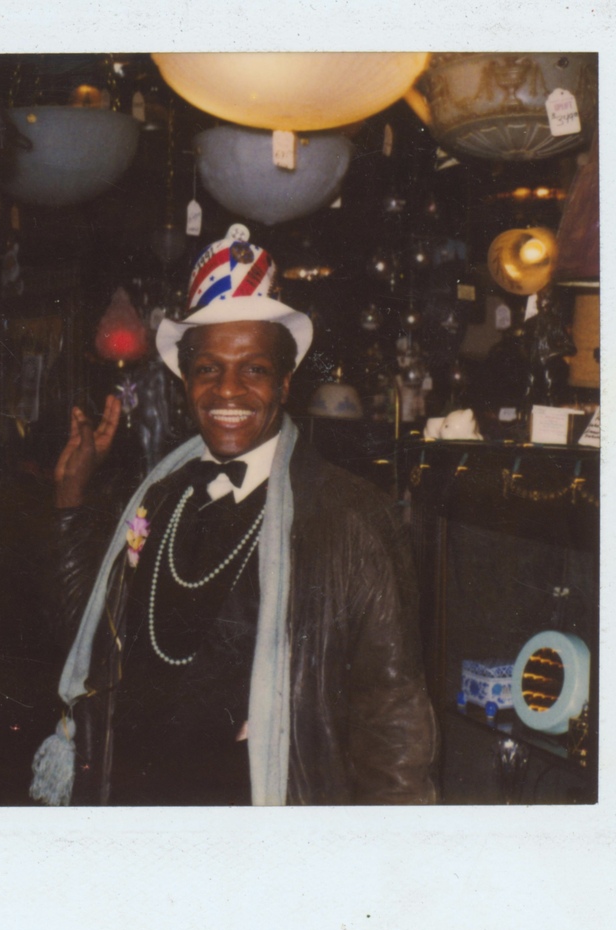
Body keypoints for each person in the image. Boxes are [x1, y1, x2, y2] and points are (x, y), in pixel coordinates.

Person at [31, 226, 438, 807]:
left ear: (286, 382)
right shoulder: (161, 495)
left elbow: (392, 722)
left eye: (253, 369)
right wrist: (71, 498)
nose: (228, 390)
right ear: (186, 381)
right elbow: (91, 637)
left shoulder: (349, 520)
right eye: (209, 369)